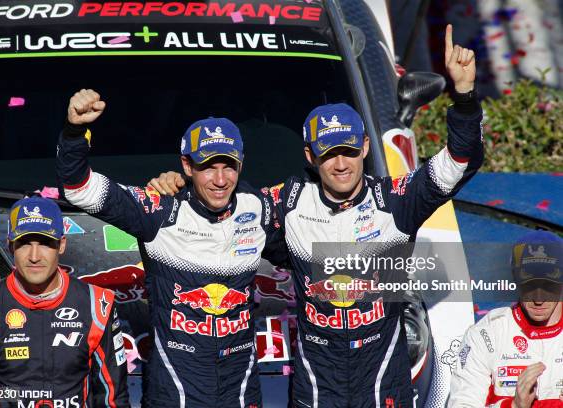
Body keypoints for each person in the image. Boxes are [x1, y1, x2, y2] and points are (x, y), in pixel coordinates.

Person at [148, 24, 483, 407]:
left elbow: (459, 162)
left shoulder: (397, 201)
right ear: (311, 157)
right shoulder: (286, 204)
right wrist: (180, 187)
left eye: (350, 151)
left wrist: (465, 98)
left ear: (366, 148)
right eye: (328, 153)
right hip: (315, 392)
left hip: (383, 389)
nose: (341, 164)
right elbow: (223, 199)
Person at [56, 92, 287, 408]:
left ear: (241, 164)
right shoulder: (159, 211)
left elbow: (311, 256)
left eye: (229, 166)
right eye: (208, 166)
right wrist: (73, 134)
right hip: (176, 393)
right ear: (187, 165)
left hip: (242, 392)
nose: (220, 179)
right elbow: (79, 189)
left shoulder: (258, 208)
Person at [0, 196, 128, 407]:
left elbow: (113, 398)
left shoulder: (97, 305)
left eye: (45, 243)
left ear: (61, 245)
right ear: (10, 246)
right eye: (25, 243)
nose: (34, 256)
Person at [449, 231, 563, 407]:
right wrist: (513, 406)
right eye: (530, 285)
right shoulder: (488, 333)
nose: (538, 299)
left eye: (548, 285)